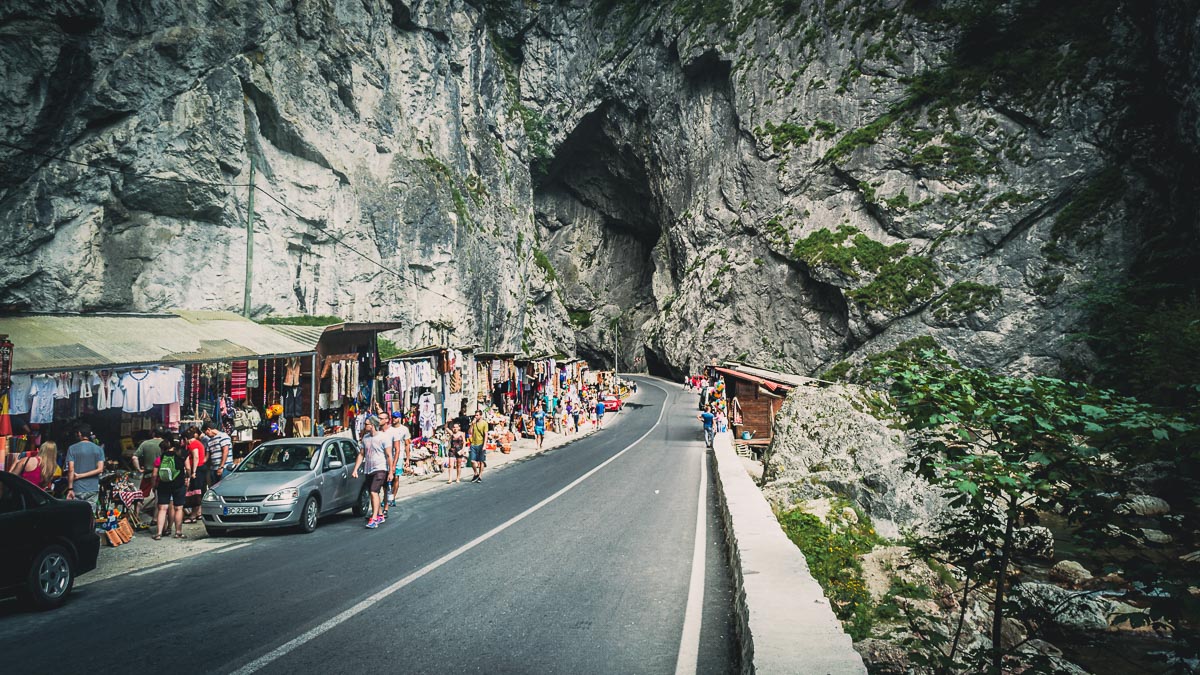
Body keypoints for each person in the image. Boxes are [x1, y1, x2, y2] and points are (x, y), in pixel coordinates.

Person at [351, 416, 391, 528]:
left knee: (373, 492)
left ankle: (374, 519)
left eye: (367, 424)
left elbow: (388, 455)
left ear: (372, 425)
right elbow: (361, 454)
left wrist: (391, 471)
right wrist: (355, 469)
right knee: (374, 493)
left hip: (380, 468)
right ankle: (380, 514)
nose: (365, 426)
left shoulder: (383, 438)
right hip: (368, 469)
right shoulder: (365, 438)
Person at [152, 433, 192, 541]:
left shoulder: (163, 455)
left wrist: (154, 485)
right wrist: (187, 477)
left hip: (163, 484)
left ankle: (159, 533)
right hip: (178, 484)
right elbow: (188, 468)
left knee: (162, 508)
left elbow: (155, 474)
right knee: (178, 508)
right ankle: (178, 532)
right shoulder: (183, 453)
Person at [66, 425, 105, 513]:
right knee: (90, 516)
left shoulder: (72, 448)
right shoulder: (98, 449)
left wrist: (70, 489)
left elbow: (71, 470)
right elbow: (100, 469)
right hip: (92, 488)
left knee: (77, 515)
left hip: (77, 488)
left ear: (79, 434)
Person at [132, 427, 165, 504]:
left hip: (148, 474)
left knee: (141, 497)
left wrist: (138, 469)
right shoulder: (165, 443)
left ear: (153, 433)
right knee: (160, 496)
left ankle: (136, 514)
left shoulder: (145, 443)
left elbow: (134, 457)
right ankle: (157, 515)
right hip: (162, 474)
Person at [387, 411, 412, 507]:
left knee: (396, 477)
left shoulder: (404, 429)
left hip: (400, 456)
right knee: (388, 479)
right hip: (389, 456)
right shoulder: (388, 428)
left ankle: (392, 498)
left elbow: (407, 444)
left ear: (400, 418)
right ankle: (387, 498)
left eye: (396, 417)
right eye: (393, 417)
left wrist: (408, 459)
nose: (394, 419)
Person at [183, 426, 206, 523]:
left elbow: (196, 457)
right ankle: (198, 513)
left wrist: (193, 472)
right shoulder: (198, 443)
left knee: (195, 493)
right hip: (201, 468)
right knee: (199, 491)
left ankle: (193, 516)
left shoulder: (193, 444)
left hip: (198, 469)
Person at [203, 421, 233, 486]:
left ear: (209, 429)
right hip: (213, 469)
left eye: (206, 433)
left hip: (224, 468)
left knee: (224, 487)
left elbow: (225, 451)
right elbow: (207, 456)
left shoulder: (223, 436)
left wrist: (221, 467)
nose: (206, 435)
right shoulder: (210, 441)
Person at [469, 410, 489, 483]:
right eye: (475, 415)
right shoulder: (474, 423)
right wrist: (472, 424)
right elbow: (470, 432)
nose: (476, 416)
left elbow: (486, 434)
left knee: (481, 461)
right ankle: (475, 473)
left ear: (480, 415)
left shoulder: (484, 423)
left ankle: (480, 475)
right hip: (473, 444)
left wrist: (484, 445)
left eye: (477, 415)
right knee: (472, 461)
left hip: (481, 443)